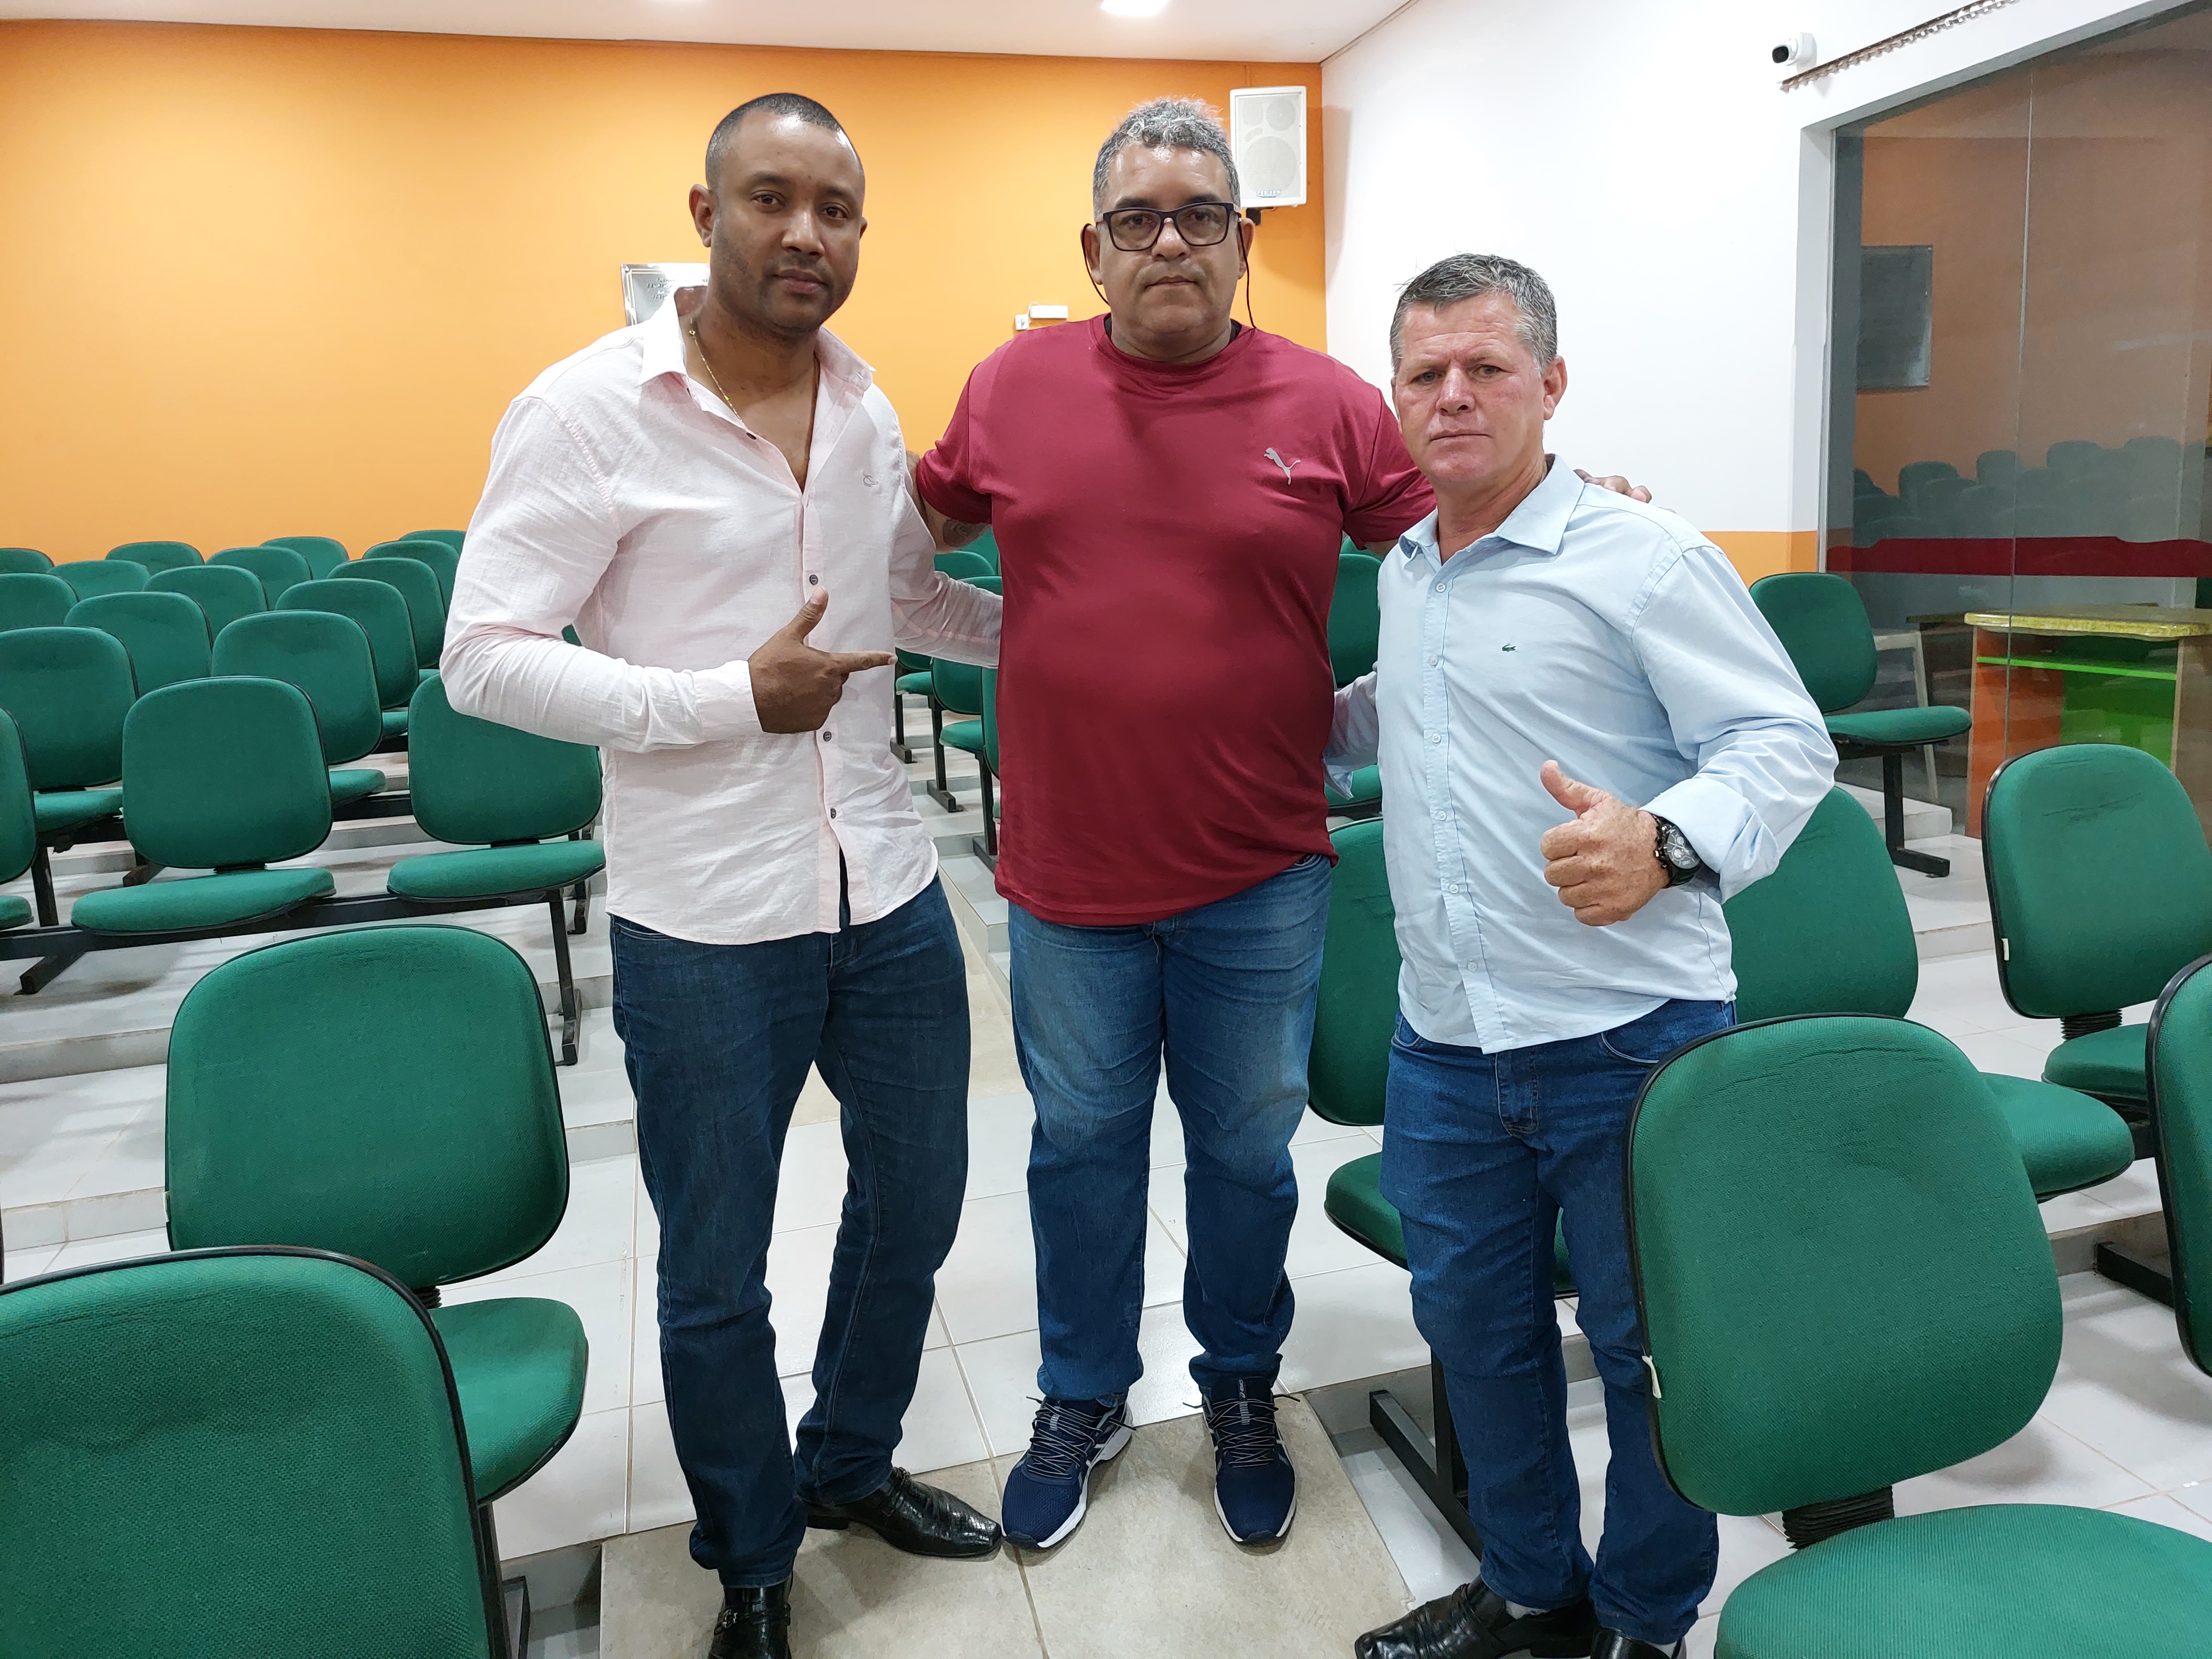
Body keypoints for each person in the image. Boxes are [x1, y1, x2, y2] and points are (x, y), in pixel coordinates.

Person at [910, 99, 1645, 1554]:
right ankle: (1082, 1394)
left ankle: (1239, 1384)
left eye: (1201, 216)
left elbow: (1468, 530)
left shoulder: (1329, 403)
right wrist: (1018, 637)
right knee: (1081, 1148)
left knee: (1246, 1156)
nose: (1169, 242)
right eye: (1138, 220)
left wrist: (1591, 508)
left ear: (1243, 240)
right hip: (1068, 878)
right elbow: (906, 543)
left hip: (1260, 873)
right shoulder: (1011, 386)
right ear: (1094, 249)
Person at [442, 94, 1004, 1659]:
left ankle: (850, 1461)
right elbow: (482, 655)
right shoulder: (584, 410)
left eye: (838, 208)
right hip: (702, 916)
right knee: (714, 1267)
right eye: (772, 198)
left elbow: (909, 601)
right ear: (706, 213)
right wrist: (723, 699)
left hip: (882, 884)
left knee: (918, 1200)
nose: (806, 233)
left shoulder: (868, 406)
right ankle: (752, 1554)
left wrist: (1081, 635)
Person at [1330, 254, 1834, 1659]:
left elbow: (1784, 742)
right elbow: (1399, 711)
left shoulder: (1646, 555)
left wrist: (1666, 841)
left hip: (1630, 1040)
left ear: (1550, 385)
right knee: (1477, 1340)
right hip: (1445, 1046)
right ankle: (1529, 1586)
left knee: (1647, 1348)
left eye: (1487, 368)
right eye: (1425, 372)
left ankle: (1645, 1614)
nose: (1453, 394)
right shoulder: (1409, 569)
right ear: (1395, 397)